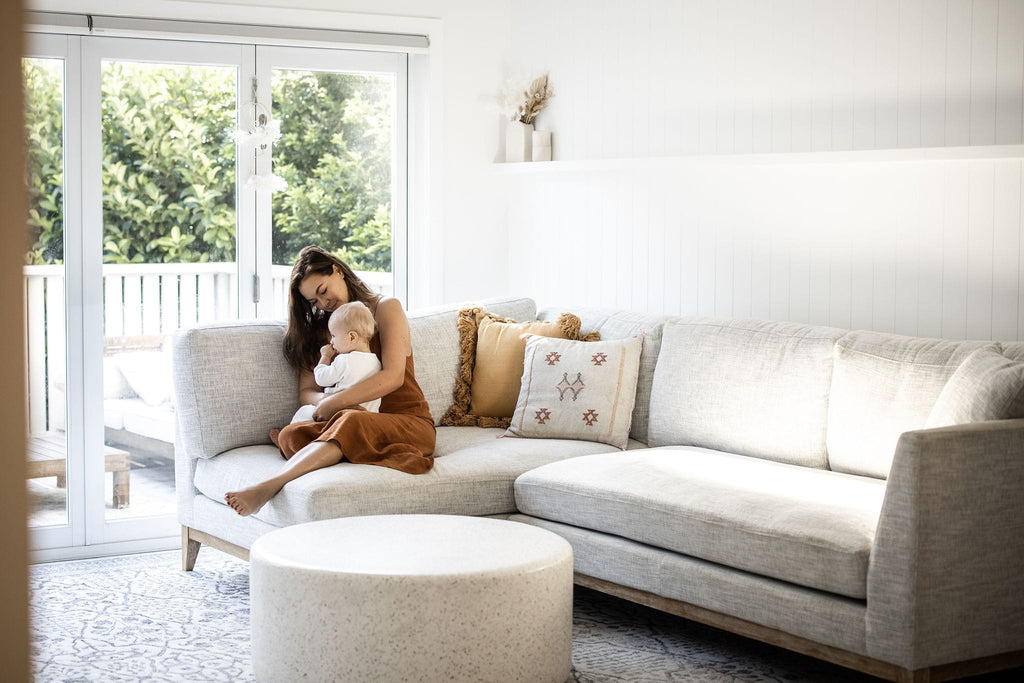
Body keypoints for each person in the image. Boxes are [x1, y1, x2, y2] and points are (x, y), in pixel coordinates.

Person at [224, 246, 436, 517]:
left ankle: (269, 486)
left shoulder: (386, 308)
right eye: (314, 302)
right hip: (346, 418)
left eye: (323, 291)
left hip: (407, 422)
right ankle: (344, 445)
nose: (323, 304)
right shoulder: (326, 331)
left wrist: (338, 401)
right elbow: (307, 393)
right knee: (291, 436)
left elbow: (393, 376)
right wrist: (328, 403)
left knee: (350, 420)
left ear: (337, 271)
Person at [288, 301, 382, 424]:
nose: (331, 341)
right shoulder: (376, 363)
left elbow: (321, 378)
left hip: (339, 415)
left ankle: (290, 435)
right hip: (367, 420)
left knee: (305, 411)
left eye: (333, 335)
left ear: (352, 337)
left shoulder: (345, 360)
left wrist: (325, 357)